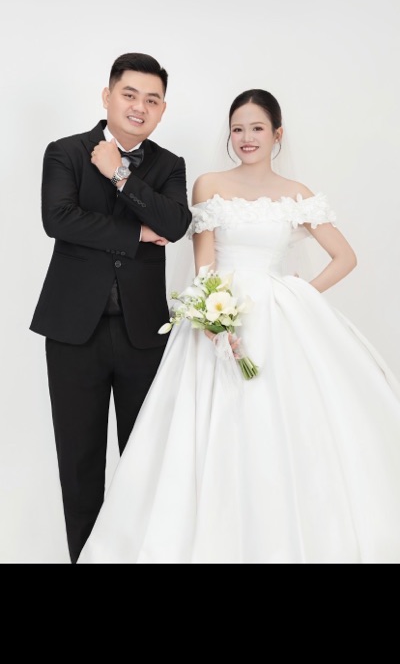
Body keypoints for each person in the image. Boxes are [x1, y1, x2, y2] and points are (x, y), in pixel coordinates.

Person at [76, 88, 400, 564]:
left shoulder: (297, 193)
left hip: (279, 320)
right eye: (238, 129)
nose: (247, 137)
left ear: (277, 134)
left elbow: (345, 257)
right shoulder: (208, 185)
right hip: (218, 315)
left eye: (257, 128)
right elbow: (203, 263)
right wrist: (212, 319)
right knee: (207, 428)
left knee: (285, 427)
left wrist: (299, 294)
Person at [30, 52, 192, 564]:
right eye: (130, 94)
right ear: (107, 96)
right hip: (72, 330)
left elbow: (176, 223)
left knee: (144, 463)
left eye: (152, 100)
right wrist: (137, 233)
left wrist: (120, 174)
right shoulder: (66, 152)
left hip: (144, 334)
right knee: (79, 464)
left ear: (162, 109)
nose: (140, 107)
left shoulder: (169, 165)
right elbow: (59, 219)